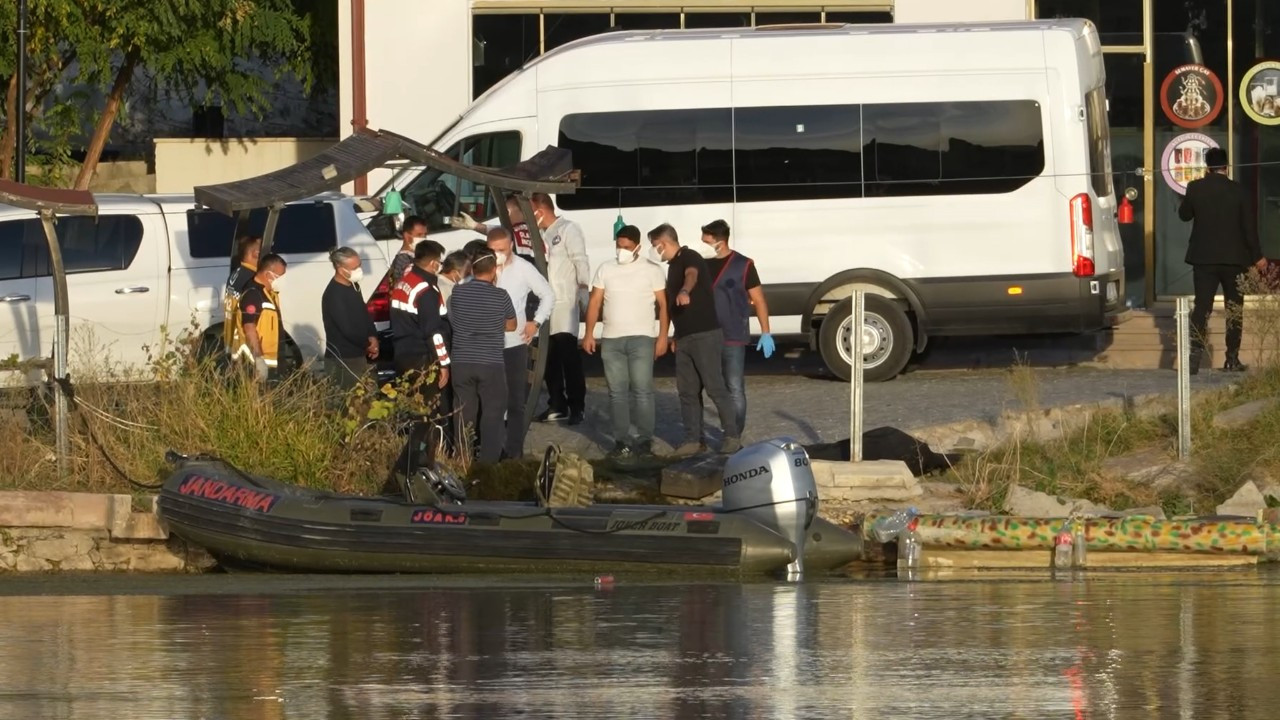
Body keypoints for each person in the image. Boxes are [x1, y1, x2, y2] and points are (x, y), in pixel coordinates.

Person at [649, 224, 741, 456]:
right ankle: (693, 439)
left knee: (715, 387)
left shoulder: (689, 256)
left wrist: (685, 291)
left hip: (705, 334)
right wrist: (672, 335)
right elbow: (669, 308)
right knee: (687, 391)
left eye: (654, 246)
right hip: (685, 338)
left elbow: (692, 275)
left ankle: (731, 436)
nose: (654, 251)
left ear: (665, 243)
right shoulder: (671, 267)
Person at [582, 225, 669, 462]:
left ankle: (644, 441)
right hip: (611, 339)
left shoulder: (652, 270)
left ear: (638, 247)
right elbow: (594, 303)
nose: (621, 251)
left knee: (642, 390)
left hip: (642, 338)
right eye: (618, 246)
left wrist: (663, 336)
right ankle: (621, 441)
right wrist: (589, 333)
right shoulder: (605, 269)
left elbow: (663, 305)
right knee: (617, 393)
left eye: (626, 247)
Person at [1178, 147, 1267, 374]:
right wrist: (1257, 256)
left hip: (1204, 259)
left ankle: (1194, 358)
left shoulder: (1195, 188)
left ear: (1207, 168)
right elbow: (1249, 228)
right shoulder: (1239, 191)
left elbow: (1184, 215)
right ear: (1226, 167)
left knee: (1202, 307)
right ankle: (1232, 359)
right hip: (1235, 259)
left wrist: (1188, 199)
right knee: (1234, 308)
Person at [698, 219, 774, 434]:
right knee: (708, 388)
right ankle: (699, 435)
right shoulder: (700, 264)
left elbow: (758, 299)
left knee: (734, 388)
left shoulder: (743, 265)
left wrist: (765, 332)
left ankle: (733, 435)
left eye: (706, 241)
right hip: (705, 335)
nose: (702, 244)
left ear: (719, 242)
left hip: (732, 336)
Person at [490, 226, 555, 459]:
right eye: (493, 250)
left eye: (501, 249)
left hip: (514, 343)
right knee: (492, 401)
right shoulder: (483, 267)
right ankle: (492, 450)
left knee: (516, 401)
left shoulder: (523, 269)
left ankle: (514, 452)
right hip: (488, 345)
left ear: (510, 247)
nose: (497, 254)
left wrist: (535, 322)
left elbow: (548, 295)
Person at [447, 251, 517, 464]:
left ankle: (463, 459)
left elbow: (453, 318)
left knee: (463, 412)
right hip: (490, 362)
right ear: (494, 270)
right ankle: (488, 463)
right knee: (493, 414)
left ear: (471, 270)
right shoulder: (501, 295)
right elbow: (512, 325)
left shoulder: (457, 293)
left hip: (461, 362)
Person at [530, 192, 590, 425]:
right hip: (545, 302)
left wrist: (584, 289)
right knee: (548, 357)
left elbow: (580, 260)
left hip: (565, 301)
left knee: (568, 356)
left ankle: (577, 405)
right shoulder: (541, 233)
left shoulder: (568, 229)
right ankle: (557, 404)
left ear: (540, 210)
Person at [389, 240, 452, 384]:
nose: (440, 266)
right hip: (423, 360)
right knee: (432, 403)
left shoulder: (403, 283)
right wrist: (443, 363)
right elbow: (434, 332)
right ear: (433, 263)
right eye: (439, 262)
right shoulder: (426, 291)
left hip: (402, 355)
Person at [321, 247, 379, 390]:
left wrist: (373, 335)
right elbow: (347, 329)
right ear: (341, 269)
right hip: (343, 359)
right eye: (355, 267)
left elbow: (364, 313)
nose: (359, 269)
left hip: (359, 354)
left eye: (359, 265)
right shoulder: (334, 295)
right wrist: (368, 345)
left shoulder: (354, 286)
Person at [236, 254, 288, 382]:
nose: (281, 280)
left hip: (272, 361)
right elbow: (249, 327)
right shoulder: (253, 294)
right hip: (260, 362)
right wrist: (258, 359)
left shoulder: (267, 292)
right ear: (267, 275)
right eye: (279, 276)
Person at [451, 194, 535, 259]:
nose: (504, 216)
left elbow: (499, 232)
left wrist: (475, 225)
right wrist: (474, 225)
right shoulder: (511, 230)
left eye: (507, 212)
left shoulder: (533, 230)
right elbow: (496, 231)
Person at [222, 234, 262, 360]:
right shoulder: (251, 279)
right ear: (256, 254)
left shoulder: (237, 273)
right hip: (244, 343)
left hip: (232, 340)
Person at [389, 215, 429, 282]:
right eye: (419, 235)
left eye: (425, 235)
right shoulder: (403, 260)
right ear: (407, 236)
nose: (423, 238)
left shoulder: (416, 256)